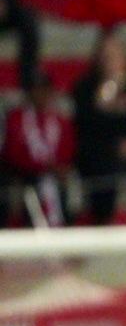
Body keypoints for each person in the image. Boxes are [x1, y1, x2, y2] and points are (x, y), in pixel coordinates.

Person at [72, 29, 126, 226]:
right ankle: (103, 223)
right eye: (106, 55)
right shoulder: (85, 89)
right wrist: (109, 92)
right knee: (103, 165)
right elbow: (88, 125)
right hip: (101, 151)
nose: (111, 59)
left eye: (116, 53)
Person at [2, 77, 74, 227]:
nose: (41, 95)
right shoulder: (16, 118)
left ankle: (63, 229)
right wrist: (42, 167)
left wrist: (58, 167)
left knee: (60, 184)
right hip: (26, 174)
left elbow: (68, 149)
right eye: (37, 90)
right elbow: (12, 153)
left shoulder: (60, 120)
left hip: (56, 175)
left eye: (45, 90)